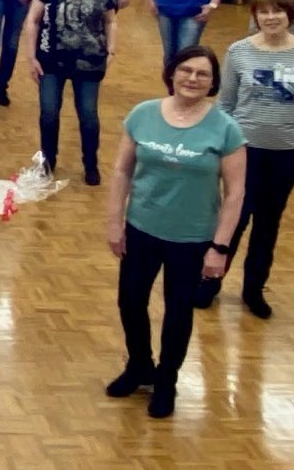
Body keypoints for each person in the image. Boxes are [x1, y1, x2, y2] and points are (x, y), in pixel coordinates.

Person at [104, 45, 247, 418]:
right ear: (172, 73)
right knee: (130, 302)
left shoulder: (226, 129)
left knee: (179, 311)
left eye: (202, 74)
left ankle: (167, 380)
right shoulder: (143, 114)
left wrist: (220, 247)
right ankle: (139, 366)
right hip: (141, 228)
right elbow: (121, 171)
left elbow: (235, 194)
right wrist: (114, 221)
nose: (192, 79)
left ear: (213, 83)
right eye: (186, 70)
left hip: (193, 238)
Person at [204, 0, 294, 318]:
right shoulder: (239, 51)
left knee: (268, 224)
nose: (271, 18)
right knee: (234, 219)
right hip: (243, 152)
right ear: (255, 16)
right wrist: (217, 147)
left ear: (290, 15)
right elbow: (226, 105)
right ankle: (210, 282)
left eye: (278, 11)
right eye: (264, 12)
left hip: (288, 153)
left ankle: (254, 289)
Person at [26, 0, 118, 184]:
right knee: (48, 112)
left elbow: (110, 21)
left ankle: (91, 163)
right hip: (51, 59)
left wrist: (111, 50)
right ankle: (48, 161)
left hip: (90, 59)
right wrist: (31, 57)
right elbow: (32, 21)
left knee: (88, 114)